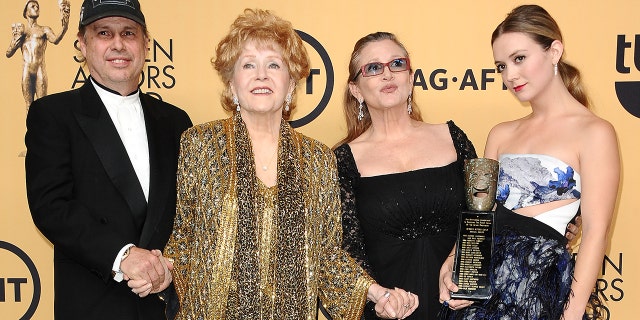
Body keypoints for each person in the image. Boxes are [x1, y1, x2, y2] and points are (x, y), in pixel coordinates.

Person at [160, 9, 416, 320]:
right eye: (248, 65)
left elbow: (328, 256)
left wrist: (377, 293)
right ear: (231, 84)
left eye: (274, 64)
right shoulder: (199, 144)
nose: (261, 74)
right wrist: (160, 271)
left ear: (291, 83)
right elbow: (185, 237)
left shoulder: (318, 159)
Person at [439, 5, 619, 319]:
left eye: (519, 58)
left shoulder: (595, 133)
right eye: (501, 66)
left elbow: (594, 232)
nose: (510, 75)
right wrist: (453, 263)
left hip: (539, 291)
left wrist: (572, 312)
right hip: (483, 294)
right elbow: (480, 217)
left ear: (554, 51)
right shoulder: (500, 134)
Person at [24, 0, 192, 319]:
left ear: (146, 45)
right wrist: (122, 255)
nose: (118, 44)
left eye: (129, 33)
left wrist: (171, 272)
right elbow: (51, 206)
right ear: (82, 45)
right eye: (104, 33)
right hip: (93, 306)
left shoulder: (176, 122)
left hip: (165, 308)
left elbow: (192, 214)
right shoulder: (53, 115)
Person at [333, 31, 476, 319]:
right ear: (356, 89)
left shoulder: (453, 137)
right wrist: (378, 299)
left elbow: (483, 216)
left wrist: (468, 275)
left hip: (463, 307)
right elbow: (342, 256)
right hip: (388, 313)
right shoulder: (342, 162)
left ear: (410, 78)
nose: (387, 74)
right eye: (373, 68)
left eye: (397, 64)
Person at [6, 0, 70, 110]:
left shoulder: (44, 30)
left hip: (40, 69)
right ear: (26, 12)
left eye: (37, 6)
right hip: (27, 70)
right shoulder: (22, 31)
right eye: (33, 6)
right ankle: (29, 128)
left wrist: (64, 27)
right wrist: (13, 43)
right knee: (29, 105)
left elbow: (55, 40)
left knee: (43, 104)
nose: (36, 8)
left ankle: (43, 127)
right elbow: (8, 53)